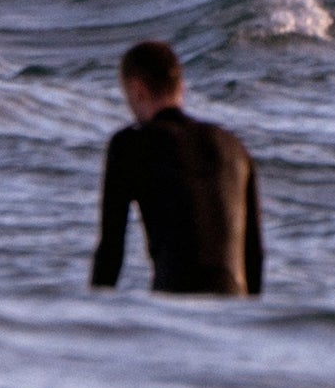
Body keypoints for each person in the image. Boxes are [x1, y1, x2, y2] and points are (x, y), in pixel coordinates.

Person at [90, 38, 262, 297]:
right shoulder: (233, 147)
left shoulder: (130, 145)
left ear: (137, 91)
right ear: (180, 87)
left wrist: (91, 322)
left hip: (175, 302)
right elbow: (254, 255)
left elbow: (111, 250)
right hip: (232, 307)